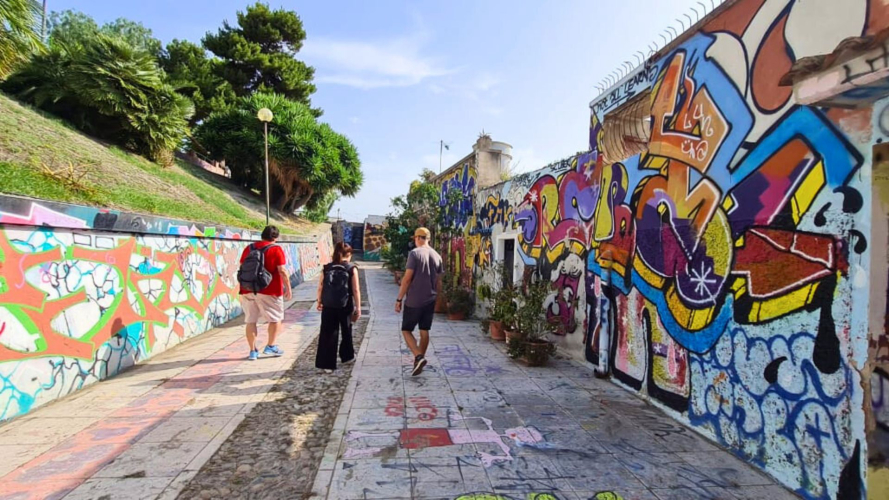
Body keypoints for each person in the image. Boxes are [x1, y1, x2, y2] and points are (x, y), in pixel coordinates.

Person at [237, 225, 292, 360]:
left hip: (248, 289)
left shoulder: (249, 248)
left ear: (262, 235)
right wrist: (288, 288)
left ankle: (253, 351)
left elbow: (242, 267)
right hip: (270, 290)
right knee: (275, 319)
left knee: (251, 321)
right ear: (276, 237)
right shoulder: (276, 249)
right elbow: (282, 271)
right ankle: (270, 346)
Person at [395, 227, 443, 376]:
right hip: (430, 299)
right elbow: (439, 282)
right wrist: (438, 298)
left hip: (415, 299)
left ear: (417, 238)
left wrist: (399, 299)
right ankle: (419, 361)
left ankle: (418, 356)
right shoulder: (437, 256)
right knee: (424, 330)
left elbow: (407, 278)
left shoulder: (414, 254)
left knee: (406, 330)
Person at [315, 242, 361, 372]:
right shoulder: (351, 268)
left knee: (328, 333)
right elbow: (356, 289)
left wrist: (319, 301)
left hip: (328, 305)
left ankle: (326, 364)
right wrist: (358, 307)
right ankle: (347, 356)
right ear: (349, 254)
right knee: (346, 330)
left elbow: (321, 286)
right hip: (345, 304)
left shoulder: (327, 268)